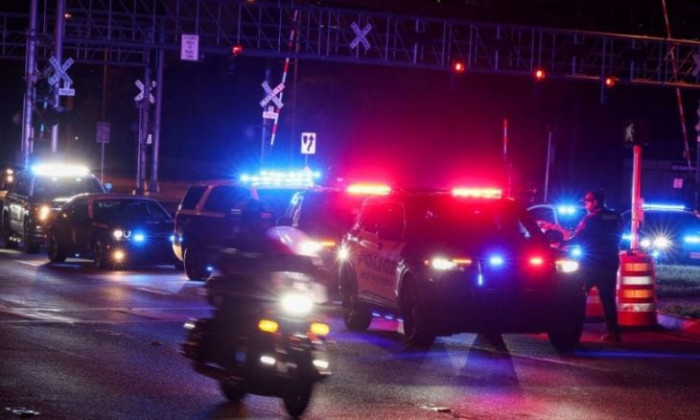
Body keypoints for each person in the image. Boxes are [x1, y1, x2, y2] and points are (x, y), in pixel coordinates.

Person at [564, 189, 623, 342]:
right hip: (610, 260)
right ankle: (614, 332)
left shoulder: (590, 219)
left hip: (591, 263)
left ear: (595, 202)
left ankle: (571, 329)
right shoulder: (615, 216)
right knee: (607, 297)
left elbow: (577, 238)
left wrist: (560, 243)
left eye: (587, 202)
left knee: (577, 294)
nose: (585, 205)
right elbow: (619, 236)